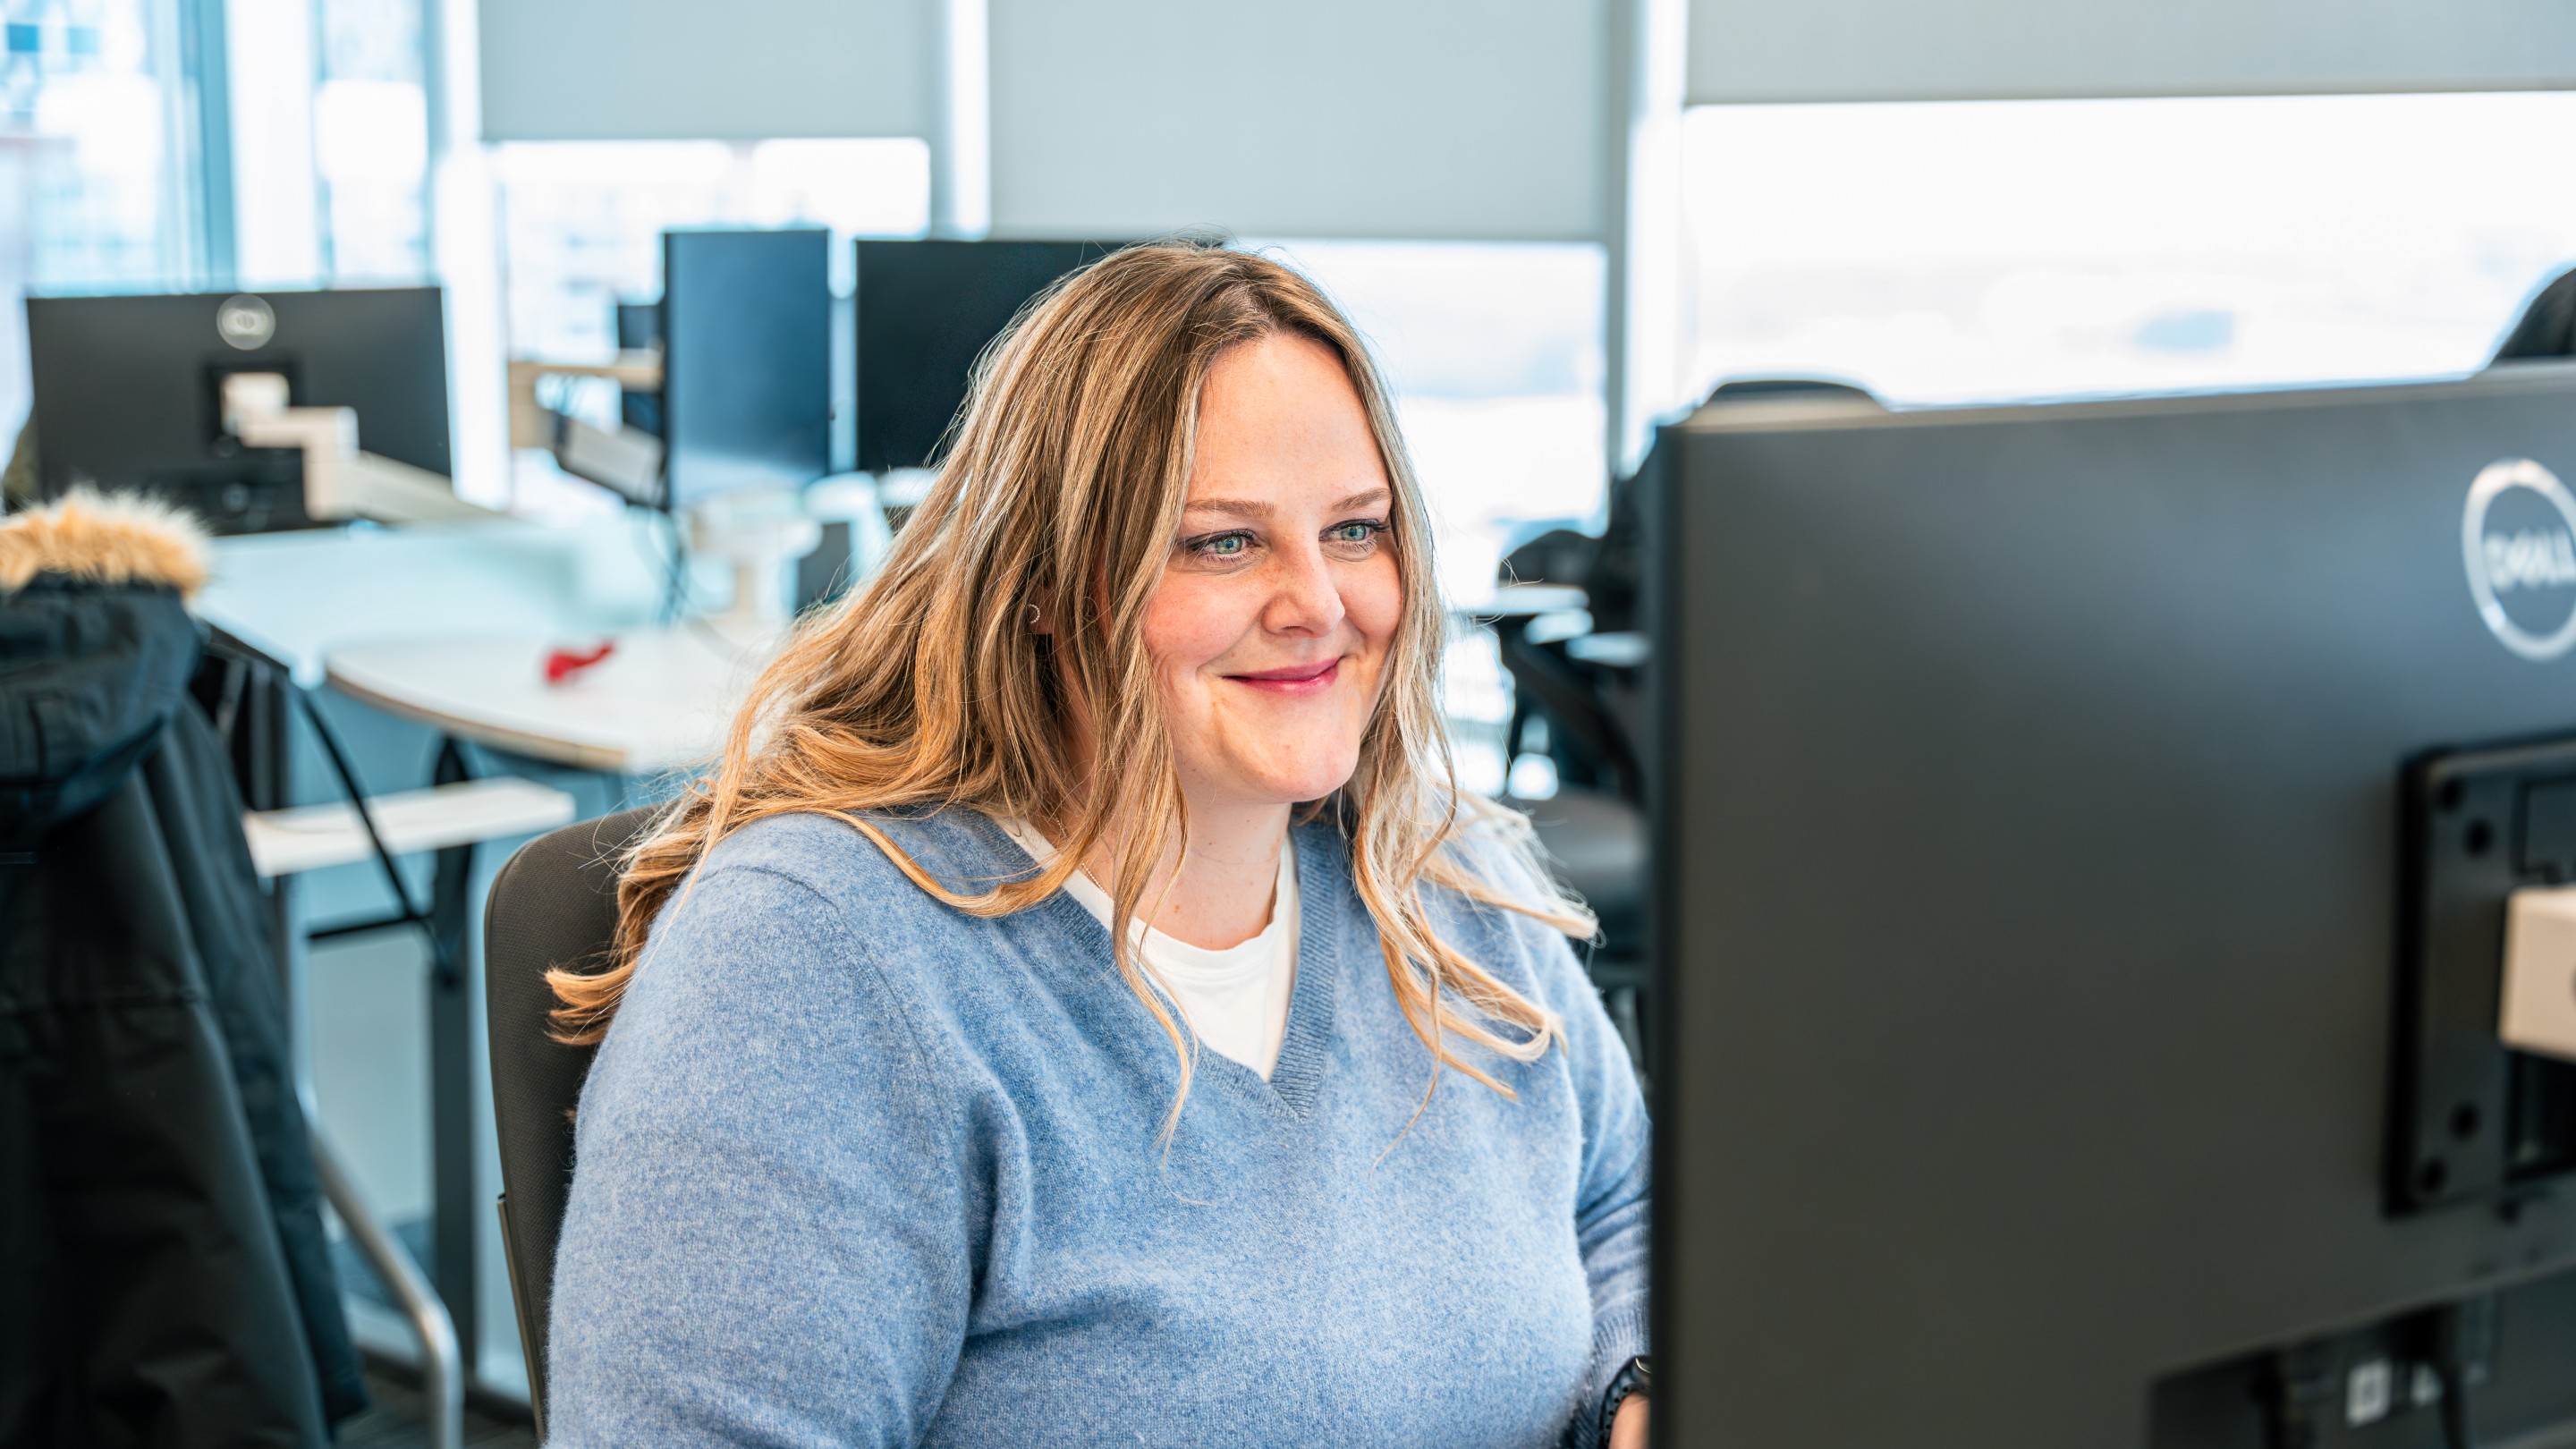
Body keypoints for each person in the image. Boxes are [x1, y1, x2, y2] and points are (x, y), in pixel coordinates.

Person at [541, 240, 1650, 1448]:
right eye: (1222, 541)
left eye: (1356, 530)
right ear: (1046, 585)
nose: (1319, 605)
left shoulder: (1442, 872)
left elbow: (1625, 1205)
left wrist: (1636, 1388)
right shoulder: (813, 968)